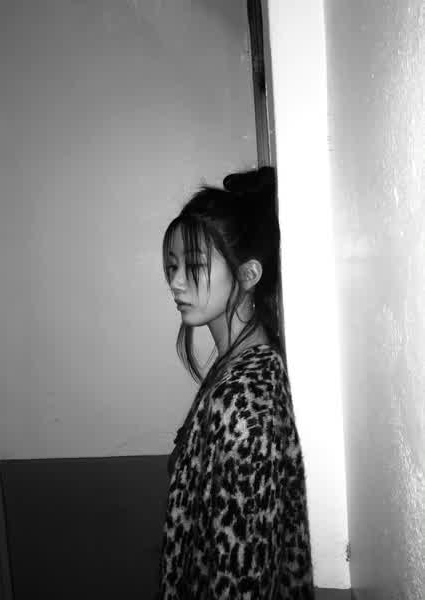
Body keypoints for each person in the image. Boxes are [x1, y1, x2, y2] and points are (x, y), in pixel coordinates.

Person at [157, 166, 315, 599]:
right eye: (172, 266)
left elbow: (242, 574)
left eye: (194, 266)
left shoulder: (246, 398)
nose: (175, 282)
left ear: (248, 275)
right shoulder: (236, 367)